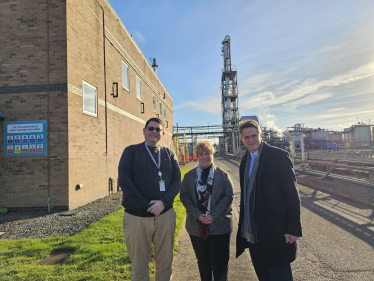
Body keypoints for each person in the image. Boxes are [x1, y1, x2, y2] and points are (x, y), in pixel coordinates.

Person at [236, 120, 302, 281]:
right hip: (252, 232)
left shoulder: (278, 156)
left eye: (253, 136)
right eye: (246, 137)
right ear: (241, 139)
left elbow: (292, 194)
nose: (250, 140)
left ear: (261, 135)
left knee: (280, 274)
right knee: (263, 275)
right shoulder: (245, 159)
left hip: (275, 230)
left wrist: (294, 229)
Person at [118, 117, 181, 281]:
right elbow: (124, 181)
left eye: (157, 129)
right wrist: (146, 205)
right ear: (144, 131)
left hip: (165, 216)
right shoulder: (131, 151)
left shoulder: (169, 153)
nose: (154, 132)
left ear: (163, 133)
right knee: (139, 266)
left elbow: (176, 181)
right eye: (151, 128)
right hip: (137, 217)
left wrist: (163, 203)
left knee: (165, 264)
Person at [180, 140, 234, 281]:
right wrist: (198, 215)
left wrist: (214, 216)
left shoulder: (223, 176)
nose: (204, 157)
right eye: (201, 154)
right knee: (203, 263)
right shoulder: (189, 176)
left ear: (212, 154)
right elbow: (184, 196)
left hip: (220, 227)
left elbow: (229, 196)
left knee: (220, 264)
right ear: (196, 156)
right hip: (196, 227)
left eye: (207, 153)